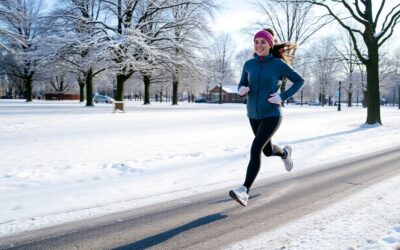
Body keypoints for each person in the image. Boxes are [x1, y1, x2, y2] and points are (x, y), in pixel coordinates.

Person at [229, 29, 304, 206]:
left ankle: (244, 190)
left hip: (272, 113)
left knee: (255, 148)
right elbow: (243, 83)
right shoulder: (249, 64)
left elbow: (300, 80)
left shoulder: (278, 64)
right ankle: (285, 153)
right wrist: (241, 90)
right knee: (267, 150)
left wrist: (282, 97)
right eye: (256, 42)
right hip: (253, 114)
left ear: (270, 44)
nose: (259, 45)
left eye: (263, 42)